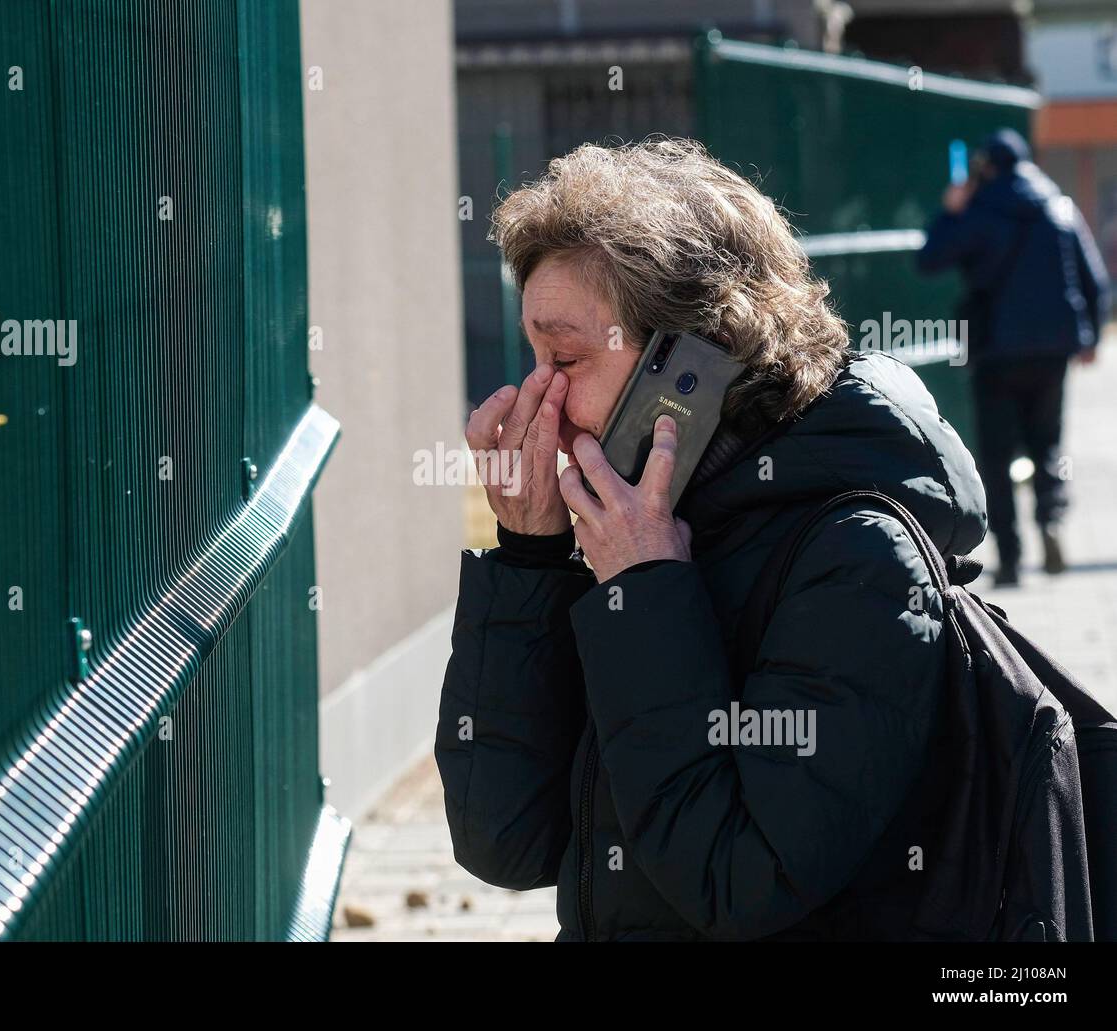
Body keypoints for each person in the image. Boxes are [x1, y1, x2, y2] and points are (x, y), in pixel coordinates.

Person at [434, 138, 993, 941]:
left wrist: (648, 593)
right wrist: (528, 558)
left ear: (688, 364)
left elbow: (736, 877)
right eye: (534, 356)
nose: (540, 403)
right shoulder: (645, 518)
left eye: (564, 358)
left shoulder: (859, 556)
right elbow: (505, 838)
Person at [917, 128, 1109, 586]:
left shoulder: (980, 210)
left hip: (997, 353)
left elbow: (930, 260)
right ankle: (1052, 519)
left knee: (997, 456)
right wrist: (1091, 339)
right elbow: (1095, 281)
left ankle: (1009, 556)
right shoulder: (1058, 207)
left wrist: (951, 211)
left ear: (988, 168)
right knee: (1048, 443)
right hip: (1052, 349)